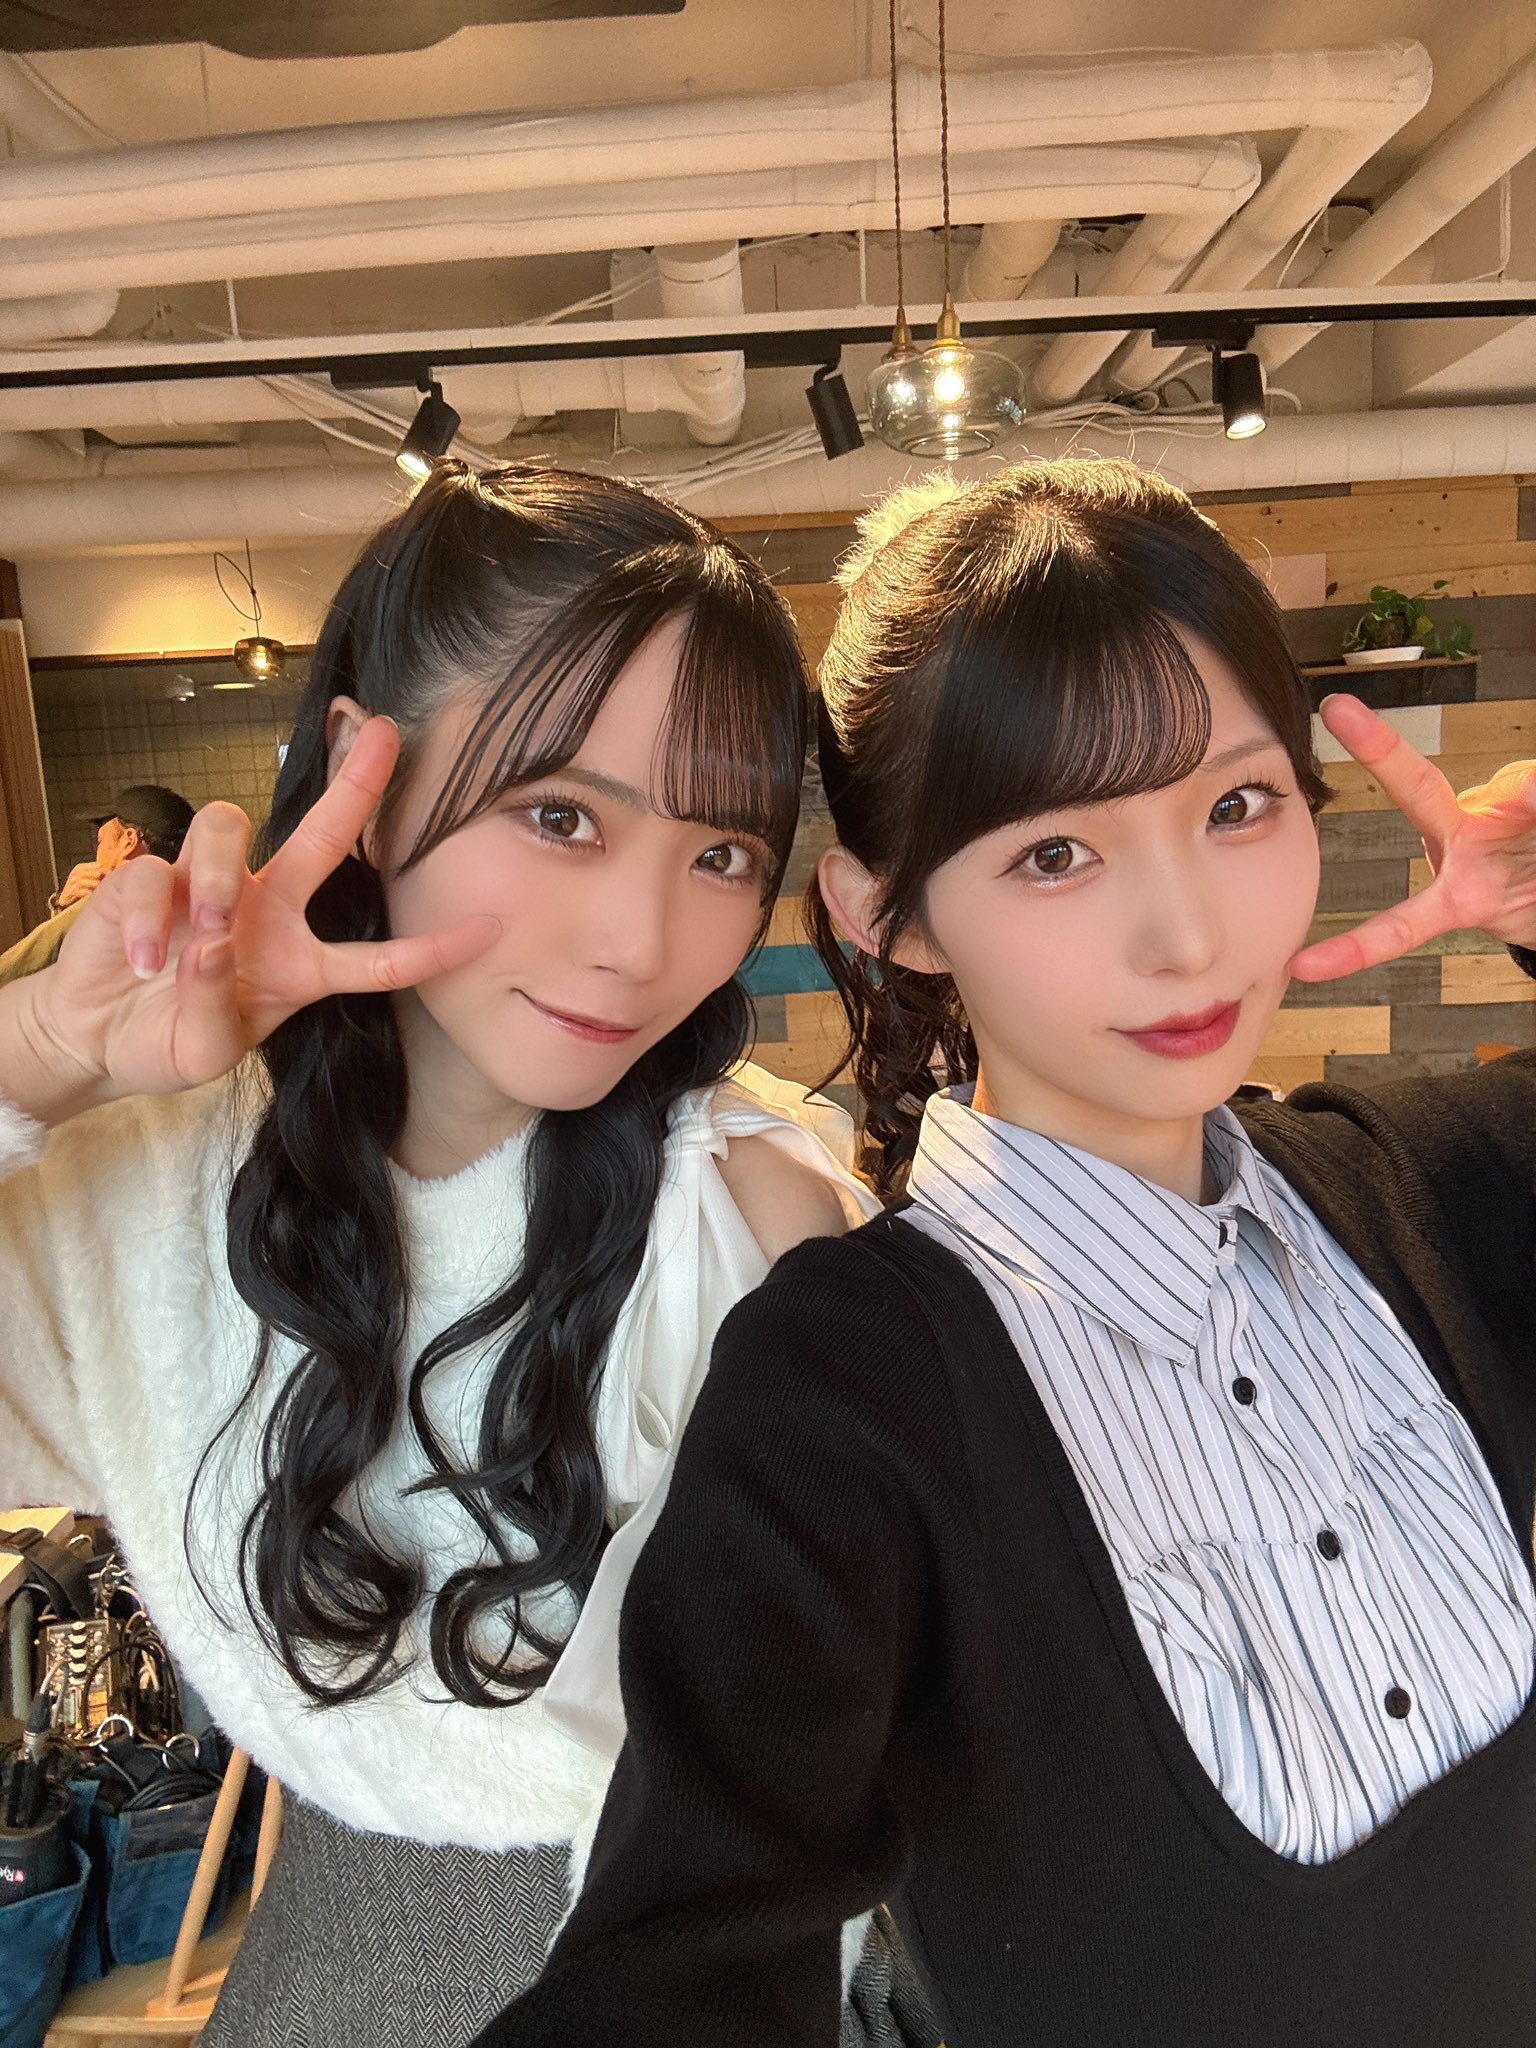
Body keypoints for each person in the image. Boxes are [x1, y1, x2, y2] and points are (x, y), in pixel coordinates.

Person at [474, 458, 1536, 2047]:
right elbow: (686, 1960)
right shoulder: (844, 1392)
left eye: (1235, 807)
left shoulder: (1435, 1186)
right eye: (1056, 853)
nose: (1189, 935)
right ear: (889, 913)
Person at [0, 461, 901, 2047]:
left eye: (718, 853)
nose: (642, 943)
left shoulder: (748, 1210)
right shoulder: (147, 1175)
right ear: (369, 769)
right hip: (327, 1987)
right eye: (561, 817)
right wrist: (39, 1058)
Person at [0, 783, 194, 985]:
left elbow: (13, 973)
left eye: (101, 841)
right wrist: (63, 910)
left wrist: (74, 912)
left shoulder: (109, 909)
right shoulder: (186, 911)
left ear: (128, 841)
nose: (97, 853)